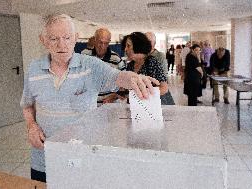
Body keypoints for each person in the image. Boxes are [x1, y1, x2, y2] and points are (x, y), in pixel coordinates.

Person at [20, 14, 159, 183]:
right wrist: (31, 126)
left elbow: (117, 76)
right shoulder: (34, 69)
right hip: (43, 160)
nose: (61, 44)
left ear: (76, 38)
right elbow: (27, 105)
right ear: (43, 40)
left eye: (67, 38)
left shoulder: (90, 65)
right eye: (54, 38)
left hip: (81, 157)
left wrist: (133, 78)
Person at [121, 32, 169, 104]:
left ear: (137, 46)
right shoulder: (130, 65)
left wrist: (143, 92)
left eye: (128, 46)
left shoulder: (152, 62)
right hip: (133, 107)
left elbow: (164, 88)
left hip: (148, 107)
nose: (125, 49)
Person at [82, 28, 125, 103]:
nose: (102, 46)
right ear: (95, 40)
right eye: (100, 42)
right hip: (88, 104)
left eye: (106, 43)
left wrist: (115, 95)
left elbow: (124, 82)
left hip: (107, 105)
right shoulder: (84, 55)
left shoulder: (116, 59)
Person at [145, 32, 175, 105]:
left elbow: (163, 77)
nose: (146, 43)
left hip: (157, 93)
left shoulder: (159, 56)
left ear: (154, 43)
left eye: (149, 41)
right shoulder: (142, 56)